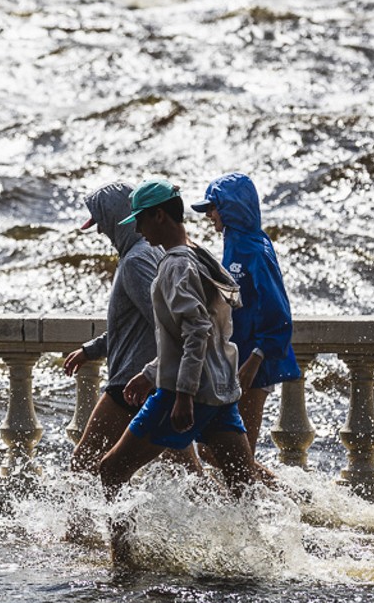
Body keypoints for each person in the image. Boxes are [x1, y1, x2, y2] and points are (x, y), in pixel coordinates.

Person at [97, 178, 259, 500]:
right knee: (246, 491)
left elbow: (195, 331)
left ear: (159, 216)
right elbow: (207, 326)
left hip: (183, 394)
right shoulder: (200, 256)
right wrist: (149, 374)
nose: (140, 231)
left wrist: (182, 394)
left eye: (140, 220)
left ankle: (123, 553)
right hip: (221, 393)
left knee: (110, 471)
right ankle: (273, 549)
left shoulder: (173, 264)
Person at [191, 173, 300, 461]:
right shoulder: (234, 243)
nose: (209, 215)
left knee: (238, 459)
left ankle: (294, 503)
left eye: (213, 208)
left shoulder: (255, 250)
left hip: (252, 367)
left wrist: (256, 359)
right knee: (214, 451)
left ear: (232, 208)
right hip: (235, 364)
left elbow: (280, 315)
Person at [63, 183, 162, 474]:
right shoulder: (150, 251)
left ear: (118, 218)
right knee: (187, 474)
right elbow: (134, 326)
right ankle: (242, 512)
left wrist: (150, 374)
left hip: (132, 383)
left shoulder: (135, 261)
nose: (99, 231)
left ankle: (82, 522)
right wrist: (91, 350)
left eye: (101, 223)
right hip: (156, 380)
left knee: (84, 465)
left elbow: (164, 324)